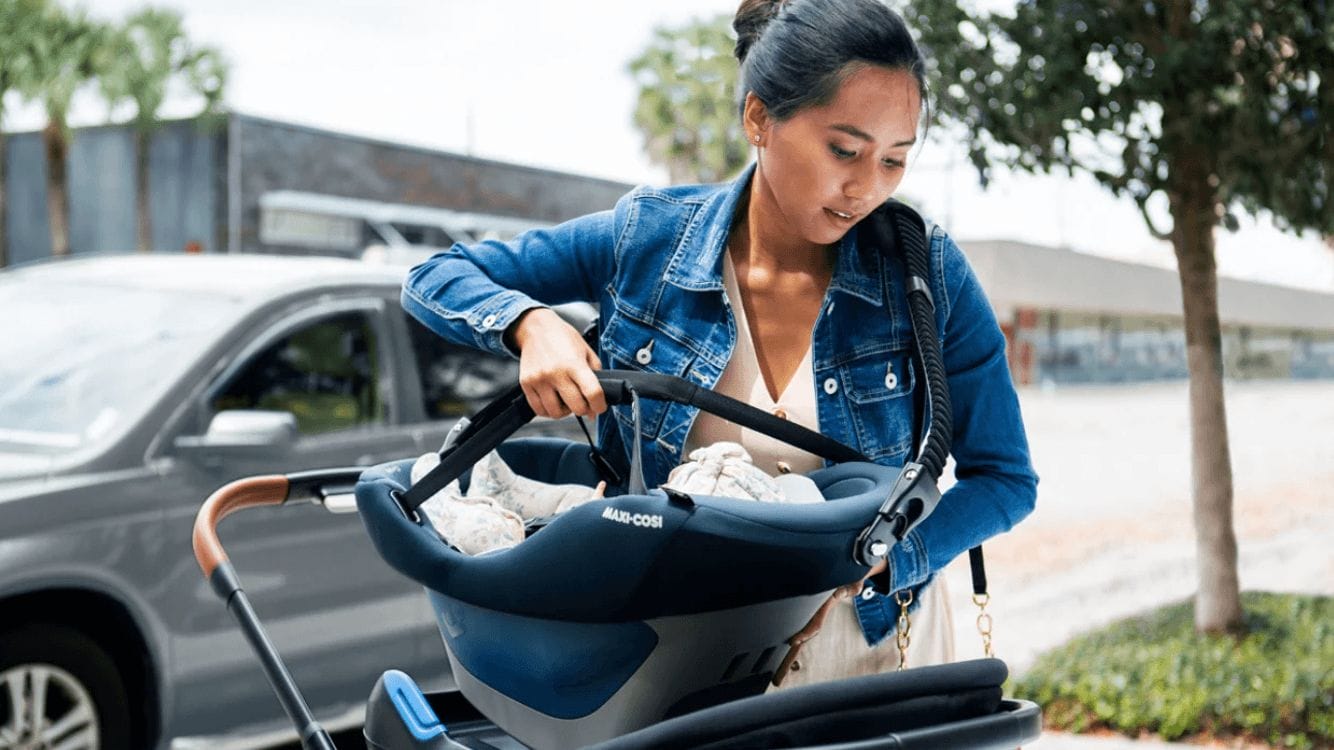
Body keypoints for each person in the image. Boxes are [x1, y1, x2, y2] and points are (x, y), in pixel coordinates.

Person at [402, 0, 1036, 688]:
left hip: (864, 646)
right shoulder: (647, 238)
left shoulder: (926, 273)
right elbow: (434, 275)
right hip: (673, 649)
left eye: (894, 160)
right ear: (760, 118)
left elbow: (1004, 480)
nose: (865, 187)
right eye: (845, 150)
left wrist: (886, 555)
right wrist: (531, 323)